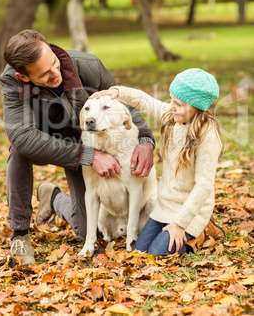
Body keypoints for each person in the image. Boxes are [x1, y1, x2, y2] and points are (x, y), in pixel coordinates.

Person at [0, 29, 155, 265]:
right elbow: (23, 137)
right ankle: (20, 234)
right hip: (43, 142)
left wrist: (145, 139)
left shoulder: (89, 67)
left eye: (54, 63)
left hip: (78, 139)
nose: (55, 73)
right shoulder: (13, 81)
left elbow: (122, 104)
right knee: (18, 150)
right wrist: (87, 155)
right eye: (44, 74)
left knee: (88, 231)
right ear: (24, 77)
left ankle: (52, 198)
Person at [91, 68, 224, 257]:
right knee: (140, 252)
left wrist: (180, 224)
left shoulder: (207, 136)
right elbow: (145, 101)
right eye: (171, 100)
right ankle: (178, 232)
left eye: (178, 103)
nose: (171, 106)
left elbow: (203, 186)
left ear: (196, 107)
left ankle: (202, 231)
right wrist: (118, 92)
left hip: (191, 212)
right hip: (165, 206)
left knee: (158, 255)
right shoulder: (173, 119)